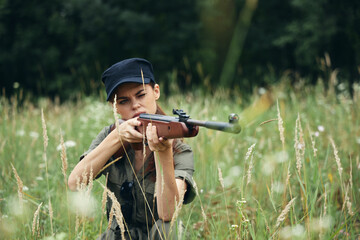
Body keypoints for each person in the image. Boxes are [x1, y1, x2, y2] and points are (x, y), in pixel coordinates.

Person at [68, 58, 196, 239]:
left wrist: (164, 153)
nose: (135, 105)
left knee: (168, 229)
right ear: (114, 107)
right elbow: (75, 183)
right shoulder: (110, 135)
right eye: (123, 101)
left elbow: (167, 214)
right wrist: (117, 137)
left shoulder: (180, 150)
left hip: (157, 236)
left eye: (141, 95)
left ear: (156, 91)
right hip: (117, 235)